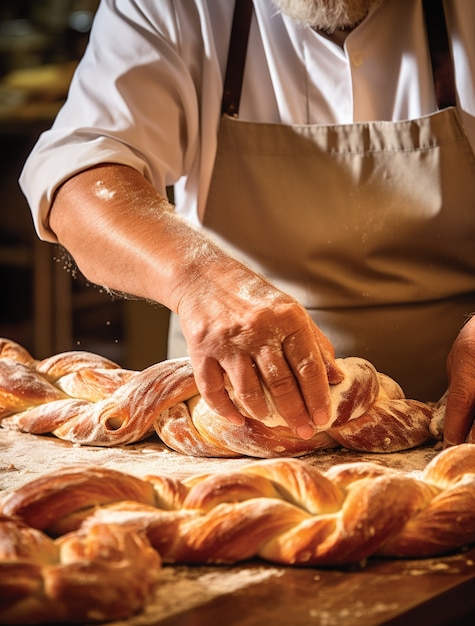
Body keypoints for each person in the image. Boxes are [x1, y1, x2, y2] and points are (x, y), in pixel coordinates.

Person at [19, 0, 475, 447]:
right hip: (236, 421)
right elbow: (79, 173)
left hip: (459, 415)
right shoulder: (173, 7)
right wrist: (199, 280)